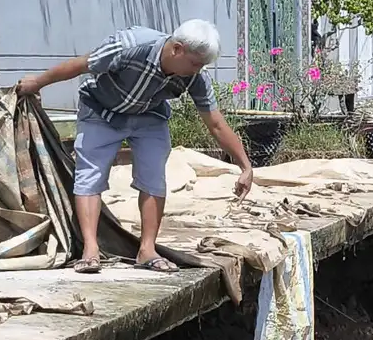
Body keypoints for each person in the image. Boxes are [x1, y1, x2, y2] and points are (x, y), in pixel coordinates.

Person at [15, 20, 254, 274]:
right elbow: (80, 65)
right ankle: (90, 249)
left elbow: (216, 124)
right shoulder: (129, 46)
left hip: (149, 116)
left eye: (202, 65)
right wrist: (38, 82)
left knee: (153, 178)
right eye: (195, 63)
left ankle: (147, 250)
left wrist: (245, 165)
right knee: (90, 175)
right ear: (177, 49)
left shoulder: (195, 76)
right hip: (101, 110)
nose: (197, 70)